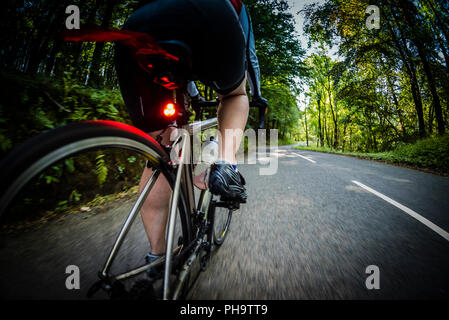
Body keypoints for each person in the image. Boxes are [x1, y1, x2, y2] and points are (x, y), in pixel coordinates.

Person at [114, 0, 268, 266]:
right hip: (211, 13)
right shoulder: (237, 7)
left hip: (139, 22)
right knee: (233, 95)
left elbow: (183, 75)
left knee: (160, 155)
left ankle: (156, 258)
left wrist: (194, 97)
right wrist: (256, 95)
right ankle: (223, 162)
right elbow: (249, 57)